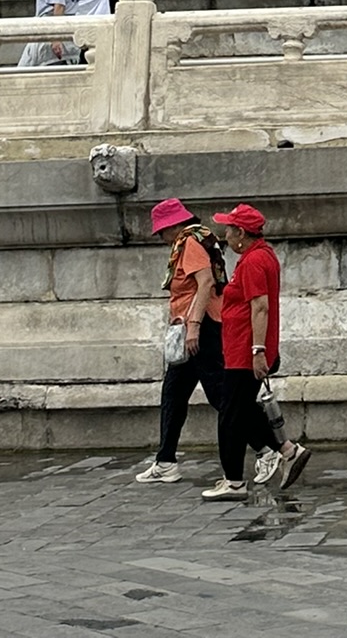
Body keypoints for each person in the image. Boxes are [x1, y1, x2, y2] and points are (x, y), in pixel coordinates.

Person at [204, 203, 309, 499]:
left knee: (230, 415)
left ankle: (234, 481)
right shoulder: (261, 257)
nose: (225, 235)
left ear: (240, 232)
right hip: (241, 348)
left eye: (229, 229)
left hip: (245, 350)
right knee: (241, 410)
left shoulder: (252, 262)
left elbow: (260, 306)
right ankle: (288, 451)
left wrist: (257, 350)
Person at [136, 199, 228, 484]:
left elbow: (205, 284)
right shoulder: (196, 241)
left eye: (162, 232)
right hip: (195, 328)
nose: (161, 238)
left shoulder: (188, 244)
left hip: (200, 329)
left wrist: (194, 328)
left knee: (220, 394)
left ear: (174, 226)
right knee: (173, 394)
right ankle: (165, 461)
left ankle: (275, 447)